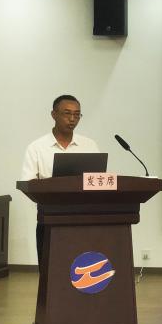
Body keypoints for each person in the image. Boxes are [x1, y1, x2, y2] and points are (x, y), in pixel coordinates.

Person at [21, 95, 99, 261]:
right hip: (50, 217)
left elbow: (98, 180)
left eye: (77, 114)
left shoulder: (90, 145)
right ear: (53, 114)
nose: (72, 119)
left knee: (81, 267)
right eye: (67, 113)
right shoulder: (37, 148)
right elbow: (28, 184)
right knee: (50, 268)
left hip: (85, 217)